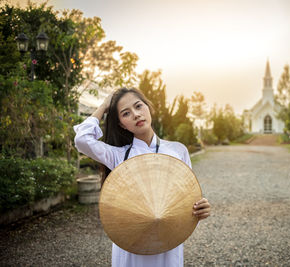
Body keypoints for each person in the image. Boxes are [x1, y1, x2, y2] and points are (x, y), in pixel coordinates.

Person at [74, 87, 211, 267]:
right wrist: (104, 106)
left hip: (168, 244)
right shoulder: (118, 156)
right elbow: (82, 140)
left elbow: (186, 199)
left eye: (139, 106)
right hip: (131, 246)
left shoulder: (177, 151)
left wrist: (200, 210)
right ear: (122, 124)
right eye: (126, 113)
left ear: (148, 107)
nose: (136, 114)